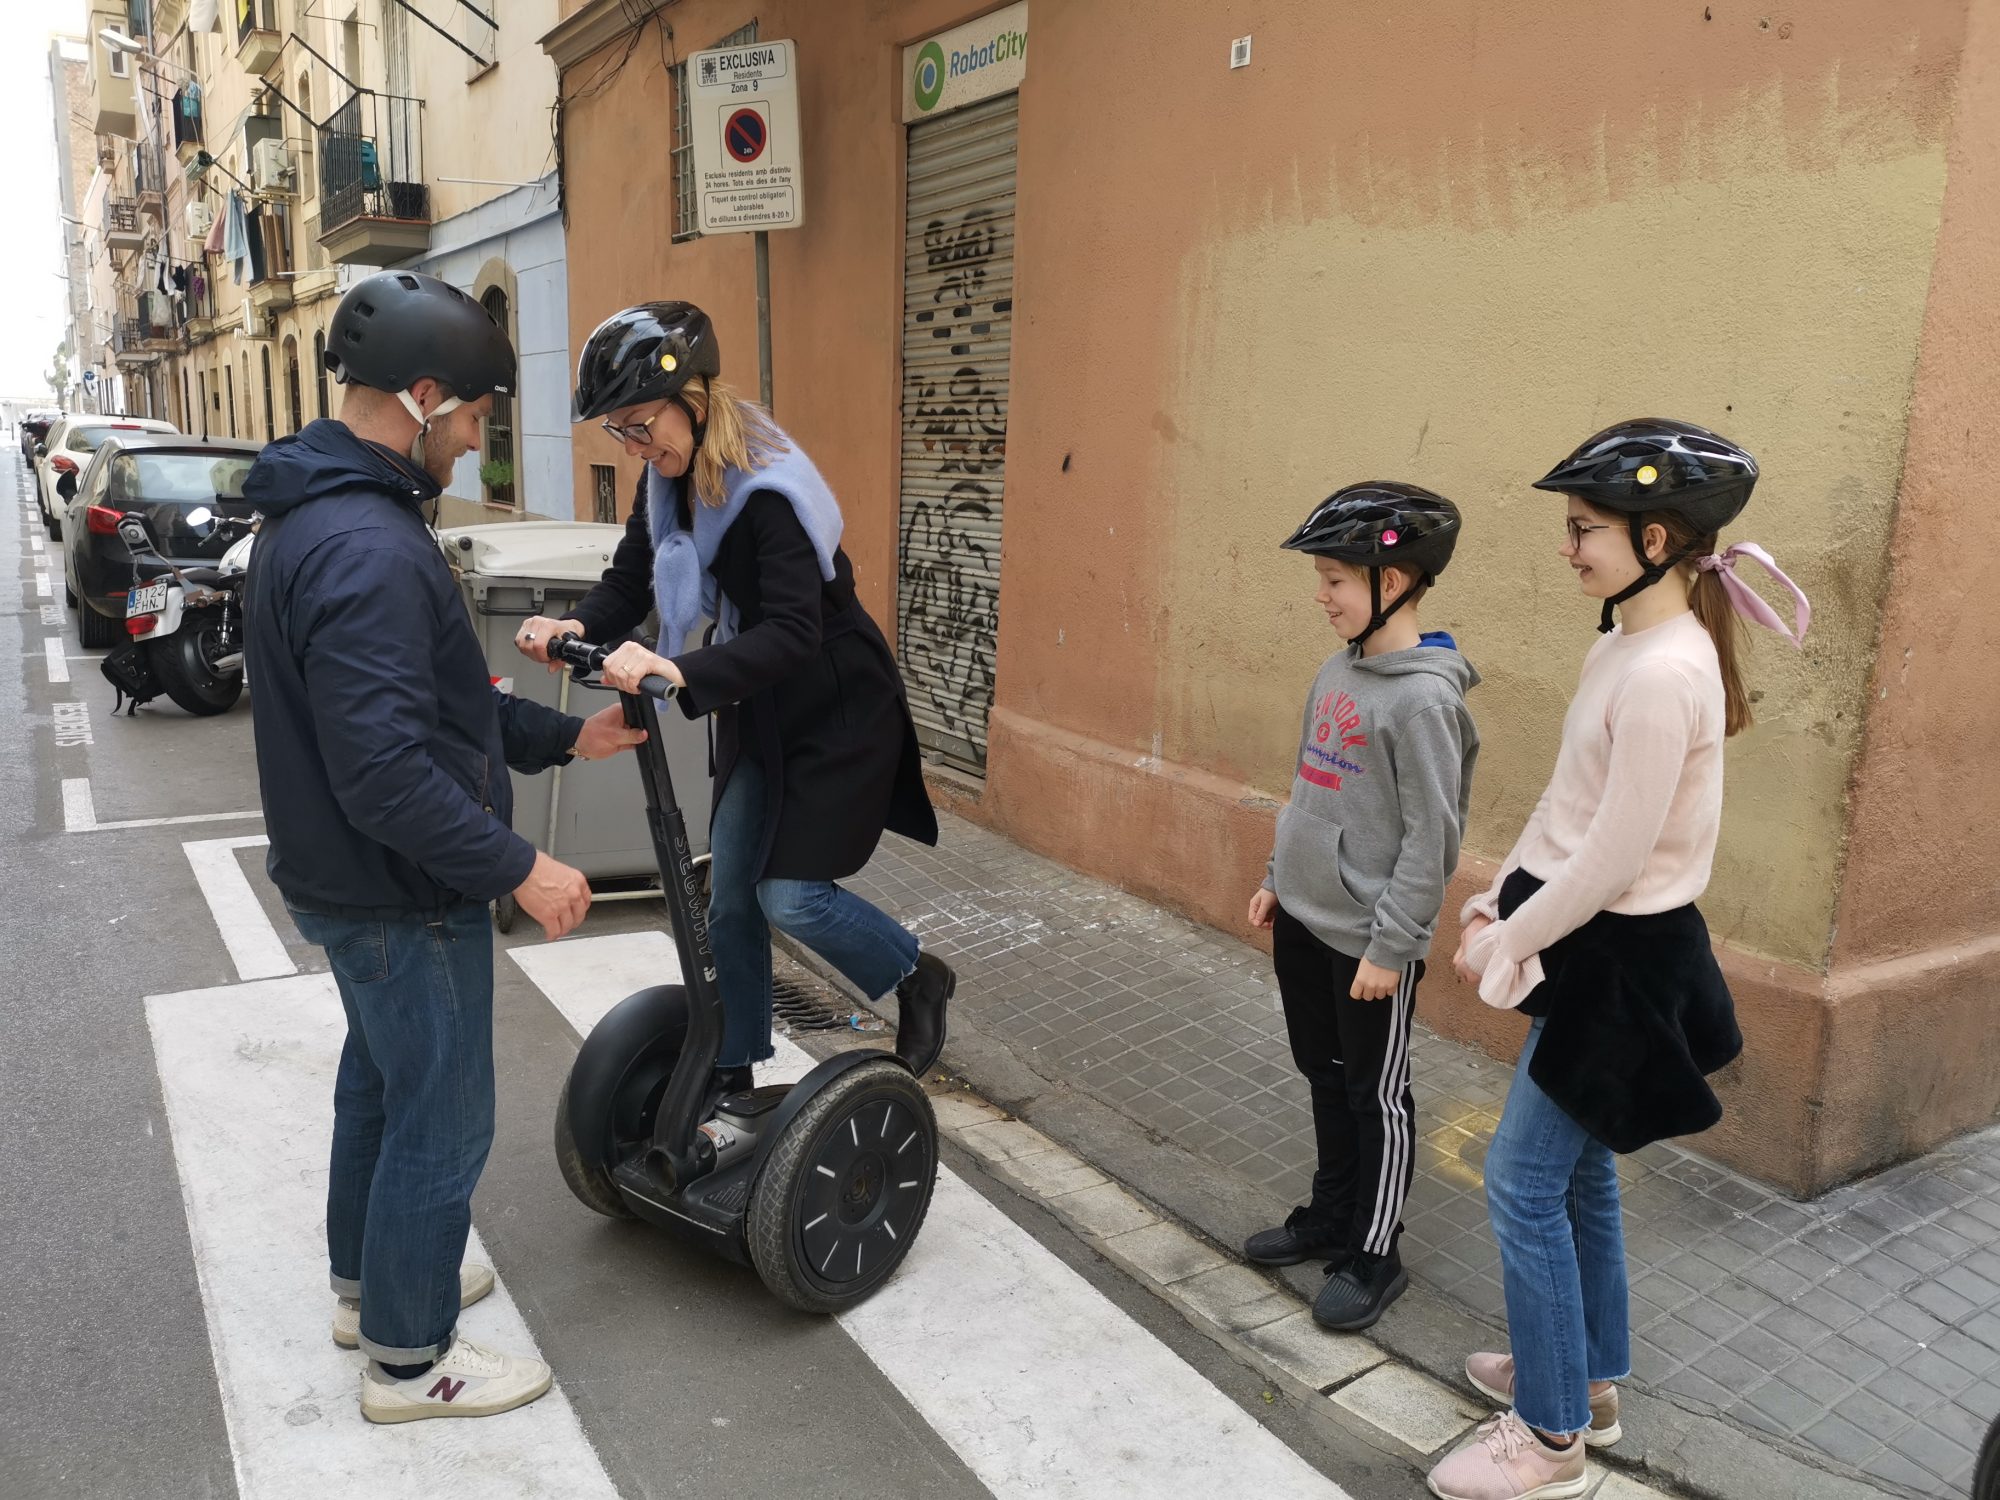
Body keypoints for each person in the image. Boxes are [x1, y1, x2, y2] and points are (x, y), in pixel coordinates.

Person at [242, 271, 646, 1425]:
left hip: (354, 882)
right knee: (445, 1114)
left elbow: (443, 705)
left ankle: (369, 1289)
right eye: (470, 416)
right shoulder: (367, 547)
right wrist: (522, 866)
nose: (474, 443)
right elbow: (383, 772)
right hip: (396, 891)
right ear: (421, 397)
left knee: (378, 1088)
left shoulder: (329, 517)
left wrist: (570, 740)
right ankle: (413, 1362)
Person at [1425, 419, 1810, 1500]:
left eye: (1582, 528)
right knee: (1578, 1172)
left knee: (1520, 1182)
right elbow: (1568, 809)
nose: (1567, 546)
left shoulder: (1665, 674)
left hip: (1622, 959)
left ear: (1652, 537)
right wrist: (1499, 892)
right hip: (1590, 938)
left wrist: (1513, 938)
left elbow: (1612, 858)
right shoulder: (1620, 646)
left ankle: (1548, 1440)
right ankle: (1586, 1379)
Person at [515, 301, 952, 1095]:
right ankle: (735, 1062)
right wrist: (570, 625)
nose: (637, 446)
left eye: (642, 424)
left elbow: (792, 632)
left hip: (835, 709)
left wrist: (682, 673)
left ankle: (917, 975)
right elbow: (630, 579)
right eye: (621, 433)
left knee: (791, 898)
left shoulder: (766, 494)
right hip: (763, 710)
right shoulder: (668, 485)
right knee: (730, 900)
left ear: (694, 398)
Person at [1244, 483, 1480, 1332]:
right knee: (1323, 1074)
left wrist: (1394, 946)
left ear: (1397, 579)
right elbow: (1309, 785)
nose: (1323, 596)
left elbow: (1432, 839)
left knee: (1377, 1093)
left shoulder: (1425, 701)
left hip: (1371, 943)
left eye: (1337, 578)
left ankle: (1375, 1251)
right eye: (1323, 578)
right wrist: (1280, 871)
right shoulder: (1338, 670)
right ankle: (1330, 1216)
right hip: (1306, 918)